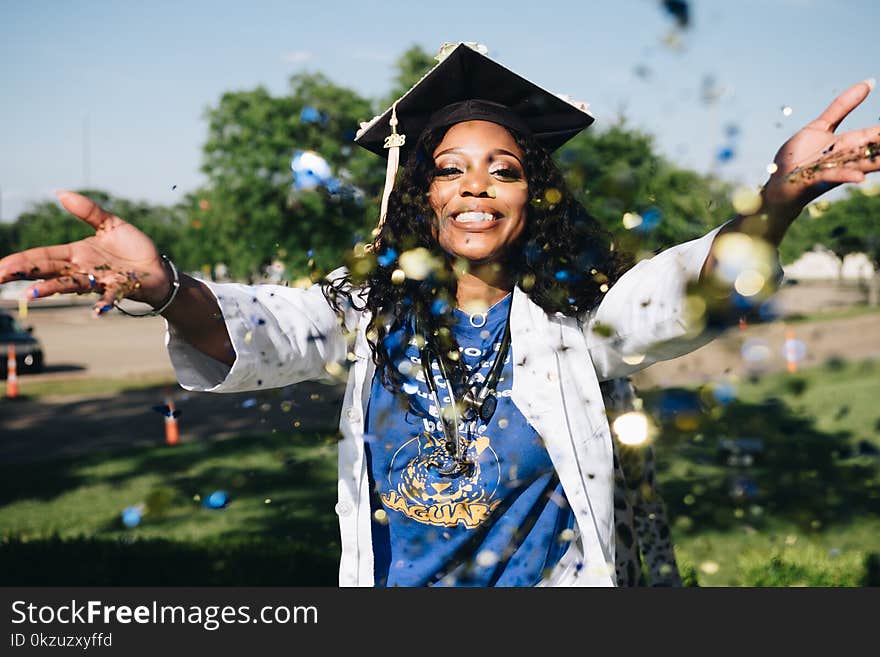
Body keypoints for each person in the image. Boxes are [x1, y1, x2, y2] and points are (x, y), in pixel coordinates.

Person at [0, 43, 877, 586]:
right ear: (419, 192)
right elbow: (258, 326)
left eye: (504, 168)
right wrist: (165, 288)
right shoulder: (366, 315)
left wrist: (780, 197)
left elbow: (687, 288)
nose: (476, 188)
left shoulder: (579, 323)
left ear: (534, 193)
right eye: (451, 168)